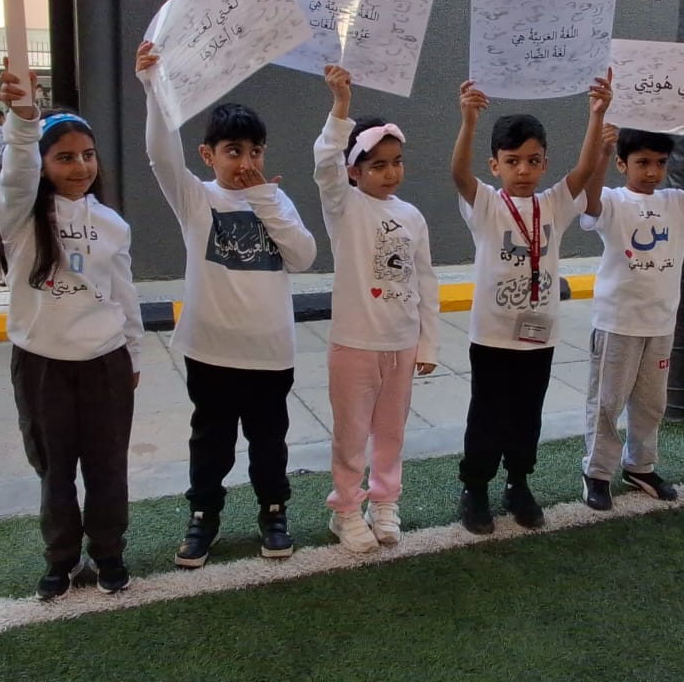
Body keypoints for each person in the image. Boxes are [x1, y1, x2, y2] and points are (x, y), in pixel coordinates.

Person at [135, 42, 318, 567]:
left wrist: (264, 198)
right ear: (207, 155)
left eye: (255, 152)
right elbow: (159, 154)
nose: (246, 163)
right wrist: (153, 87)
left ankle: (273, 511)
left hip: (269, 355)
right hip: (210, 351)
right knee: (211, 442)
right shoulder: (195, 198)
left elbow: (303, 256)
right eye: (233, 151)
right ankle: (203, 516)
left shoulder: (274, 200)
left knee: (269, 443)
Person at [0, 69, 142, 599]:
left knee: (107, 468)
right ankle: (61, 558)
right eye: (65, 157)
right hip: (42, 366)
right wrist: (24, 120)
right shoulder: (22, 218)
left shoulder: (112, 224)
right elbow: (16, 176)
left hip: (106, 364)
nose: (81, 167)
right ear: (43, 164)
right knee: (54, 470)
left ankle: (108, 552)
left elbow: (124, 296)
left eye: (88, 155)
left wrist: (134, 356)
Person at [451, 70, 612, 534]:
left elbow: (583, 172)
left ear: (544, 164)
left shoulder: (553, 204)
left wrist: (596, 114)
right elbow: (459, 174)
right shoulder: (486, 204)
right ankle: (475, 487)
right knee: (487, 414)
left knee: (527, 415)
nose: (523, 170)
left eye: (533, 161)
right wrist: (468, 121)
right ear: (495, 165)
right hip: (491, 336)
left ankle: (518, 482)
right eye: (512, 161)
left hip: (539, 337)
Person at [577, 125, 684, 510]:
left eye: (660, 163)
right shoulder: (613, 200)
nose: (652, 171)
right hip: (617, 323)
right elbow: (589, 203)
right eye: (642, 163)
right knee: (607, 402)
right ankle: (597, 472)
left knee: (652, 403)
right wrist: (601, 152)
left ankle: (640, 466)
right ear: (623, 164)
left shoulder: (677, 202)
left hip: (661, 324)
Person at [312, 65, 440, 553]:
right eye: (378, 165)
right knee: (350, 435)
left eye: (397, 162)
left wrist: (427, 343)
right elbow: (324, 163)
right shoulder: (344, 206)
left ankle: (384, 502)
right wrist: (340, 106)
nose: (390, 173)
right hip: (354, 346)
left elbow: (425, 281)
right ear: (354, 171)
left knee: (391, 433)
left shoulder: (413, 216)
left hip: (401, 346)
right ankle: (346, 508)